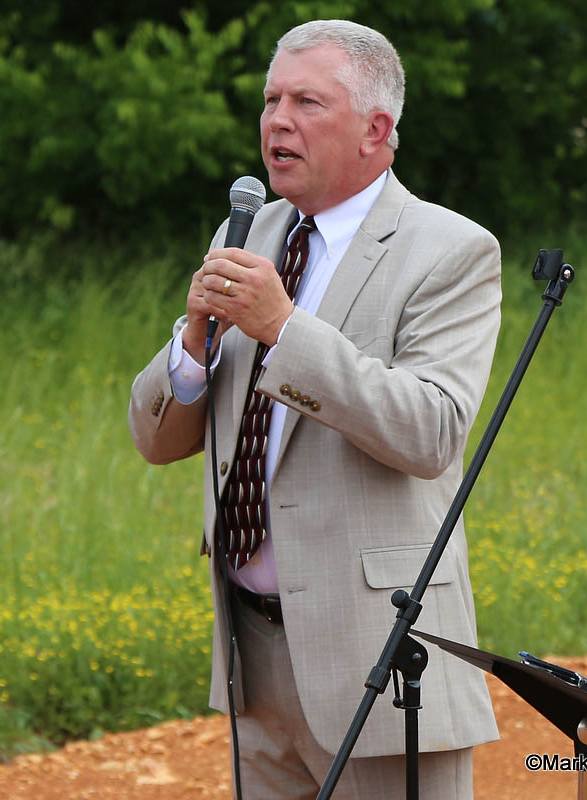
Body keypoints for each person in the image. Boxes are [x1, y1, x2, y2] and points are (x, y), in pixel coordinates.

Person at [128, 19, 500, 799]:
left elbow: (431, 431)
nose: (278, 122)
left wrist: (283, 329)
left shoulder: (449, 250)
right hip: (253, 652)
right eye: (272, 101)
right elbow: (157, 441)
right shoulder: (250, 232)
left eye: (307, 102)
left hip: (378, 657)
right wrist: (191, 349)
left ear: (376, 129)